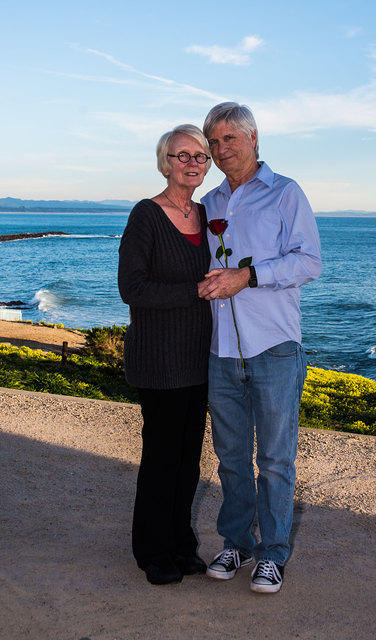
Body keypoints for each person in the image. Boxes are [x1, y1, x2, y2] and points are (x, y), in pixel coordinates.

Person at [198, 102, 322, 594]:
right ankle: (236, 542)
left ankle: (272, 553)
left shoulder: (286, 193)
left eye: (229, 138)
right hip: (221, 348)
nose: (220, 149)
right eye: (213, 141)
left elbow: (309, 262)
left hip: (274, 347)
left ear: (253, 139)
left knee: (274, 459)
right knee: (229, 457)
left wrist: (246, 277)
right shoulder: (209, 203)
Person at [118, 124, 212, 585]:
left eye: (200, 156)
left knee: (189, 458)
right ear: (165, 162)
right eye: (182, 155)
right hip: (159, 359)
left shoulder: (207, 214)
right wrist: (195, 291)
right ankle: (152, 551)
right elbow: (131, 288)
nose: (192, 163)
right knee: (161, 458)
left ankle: (181, 544)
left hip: (199, 358)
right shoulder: (146, 216)